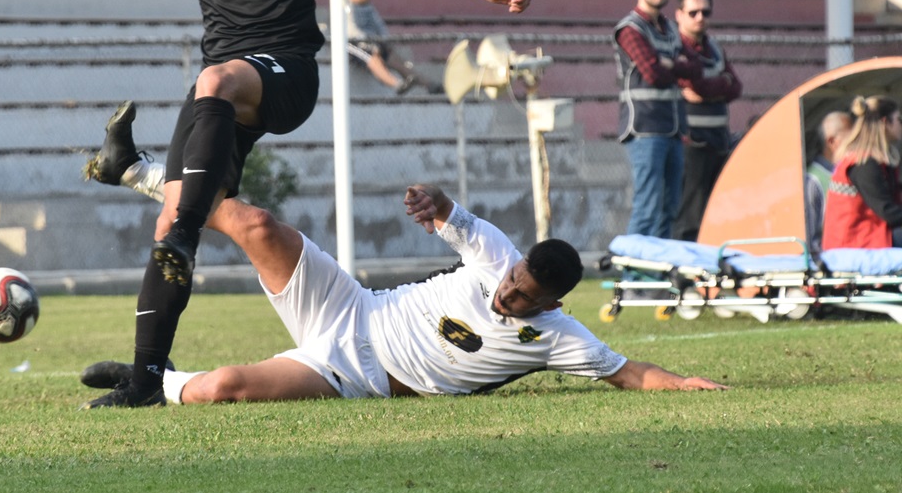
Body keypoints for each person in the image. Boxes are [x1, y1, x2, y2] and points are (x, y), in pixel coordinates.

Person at [0, 0, 530, 407]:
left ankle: (178, 229)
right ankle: (145, 380)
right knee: (176, 214)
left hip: (285, 74)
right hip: (219, 95)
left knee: (212, 94)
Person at [79, 182, 728, 407]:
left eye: (525, 296)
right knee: (258, 225)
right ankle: (135, 169)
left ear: (552, 301)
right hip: (354, 306)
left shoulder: (558, 339)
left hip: (356, 372)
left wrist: (683, 381)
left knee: (222, 388)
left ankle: (150, 382)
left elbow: (627, 371)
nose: (508, 294)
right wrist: (434, 203)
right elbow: (453, 216)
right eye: (513, 280)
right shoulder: (499, 253)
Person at [613, 0, 702, 239]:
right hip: (645, 128)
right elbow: (652, 73)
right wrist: (676, 65)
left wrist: (670, 64)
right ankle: (633, 278)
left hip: (673, 128)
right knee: (648, 206)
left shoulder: (671, 29)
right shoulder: (630, 28)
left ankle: (658, 275)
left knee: (669, 208)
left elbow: (696, 68)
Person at [672, 0, 742, 242]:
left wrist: (710, 89)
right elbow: (694, 85)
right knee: (691, 211)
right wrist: (719, 84)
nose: (700, 17)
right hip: (693, 141)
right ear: (679, 15)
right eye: (693, 12)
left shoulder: (714, 47)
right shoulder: (675, 46)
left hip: (718, 139)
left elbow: (735, 87)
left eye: (705, 12)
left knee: (714, 208)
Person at [822, 95, 902, 250]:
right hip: (853, 242)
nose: (901, 125)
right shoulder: (864, 163)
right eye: (899, 120)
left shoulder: (877, 161)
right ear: (885, 123)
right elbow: (886, 210)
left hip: (868, 235)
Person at [347, 0, 439, 95]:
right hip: (354, 45)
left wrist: (384, 42)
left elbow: (380, 26)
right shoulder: (346, 8)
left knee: (394, 58)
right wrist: (371, 44)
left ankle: (428, 84)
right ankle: (397, 84)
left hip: (373, 44)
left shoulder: (368, 7)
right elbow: (351, 31)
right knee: (373, 59)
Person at [804, 109, 853, 254]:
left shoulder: (848, 172)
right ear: (832, 142)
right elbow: (810, 234)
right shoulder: (813, 179)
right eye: (851, 139)